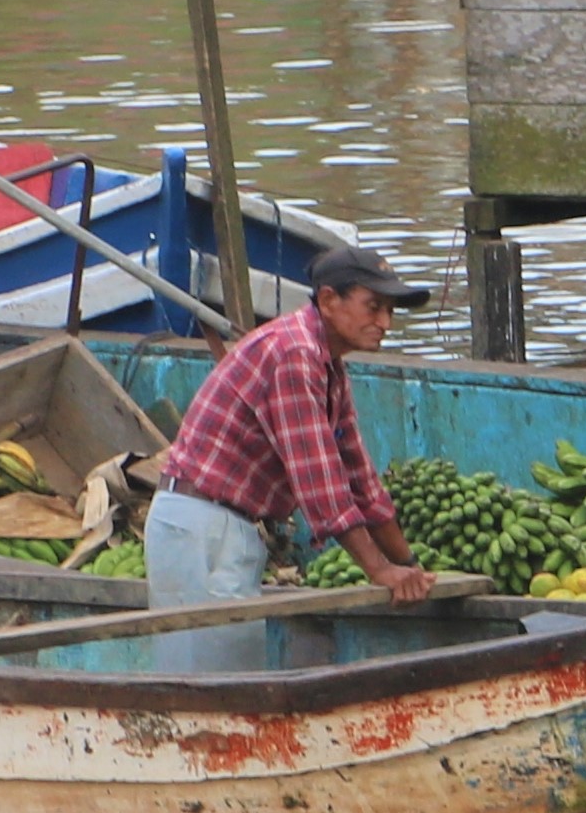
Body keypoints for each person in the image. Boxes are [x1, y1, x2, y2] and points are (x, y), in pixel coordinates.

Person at [144, 248, 461, 671]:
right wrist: (378, 570)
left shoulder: (330, 367)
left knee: (232, 686)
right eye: (373, 307)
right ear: (329, 301)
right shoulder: (293, 353)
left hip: (230, 529)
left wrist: (408, 566)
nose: (384, 323)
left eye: (389, 311)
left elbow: (360, 479)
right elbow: (320, 484)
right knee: (206, 691)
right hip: (201, 528)